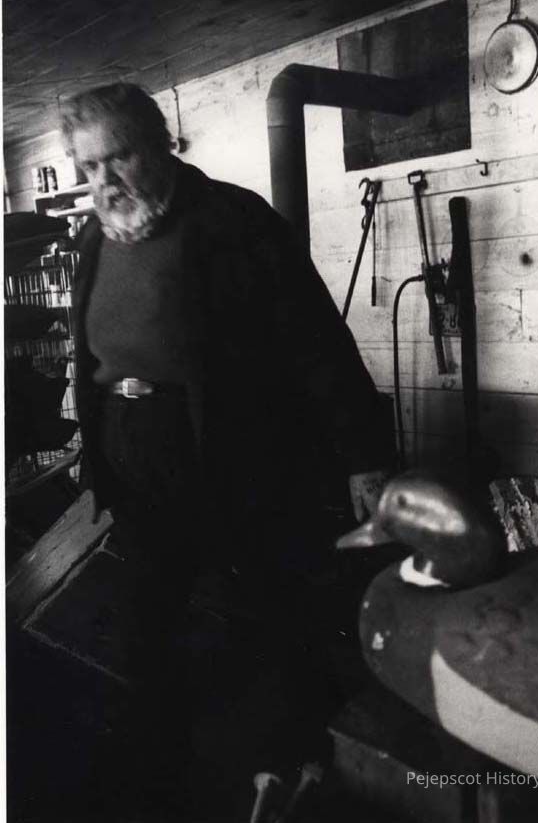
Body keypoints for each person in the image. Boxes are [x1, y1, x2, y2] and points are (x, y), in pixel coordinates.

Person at [63, 83, 393, 821]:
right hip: (135, 460)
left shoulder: (233, 220)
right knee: (147, 626)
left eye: (118, 157)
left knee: (273, 616)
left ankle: (294, 767)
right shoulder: (93, 239)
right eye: (89, 167)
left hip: (233, 455)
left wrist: (364, 454)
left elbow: (317, 342)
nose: (105, 181)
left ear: (160, 144)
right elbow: (91, 357)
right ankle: (159, 783)